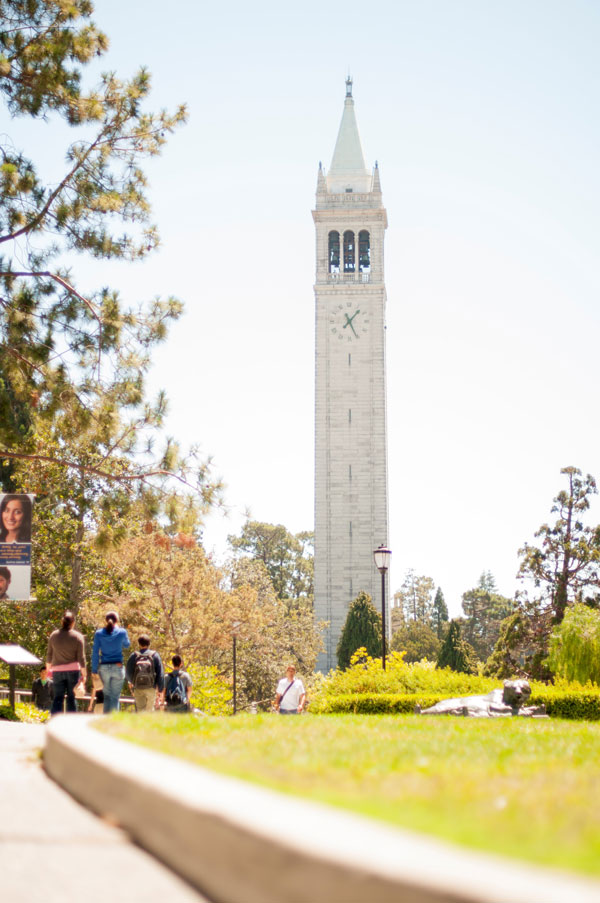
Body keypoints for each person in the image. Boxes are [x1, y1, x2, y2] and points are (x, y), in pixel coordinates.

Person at [46, 611, 86, 715]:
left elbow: (49, 655)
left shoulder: (54, 635)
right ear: (73, 622)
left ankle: (55, 720)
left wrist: (48, 670)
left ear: (62, 621)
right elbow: (81, 658)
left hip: (57, 672)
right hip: (73, 671)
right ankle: (70, 723)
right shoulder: (78, 637)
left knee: (57, 697)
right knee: (71, 698)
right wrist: (84, 674)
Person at [91, 611, 131, 713]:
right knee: (115, 697)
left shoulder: (99, 633)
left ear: (106, 620)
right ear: (117, 620)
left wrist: (94, 669)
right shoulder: (121, 632)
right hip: (118, 666)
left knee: (107, 696)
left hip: (104, 668)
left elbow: (95, 652)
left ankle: (106, 720)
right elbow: (127, 645)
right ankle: (113, 721)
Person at [125, 635, 164, 713]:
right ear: (149, 644)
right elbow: (160, 673)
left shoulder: (134, 655)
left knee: (140, 712)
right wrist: (160, 688)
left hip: (138, 687)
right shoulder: (155, 655)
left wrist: (133, 683)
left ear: (139, 644)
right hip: (151, 687)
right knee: (149, 712)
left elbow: (127, 672)